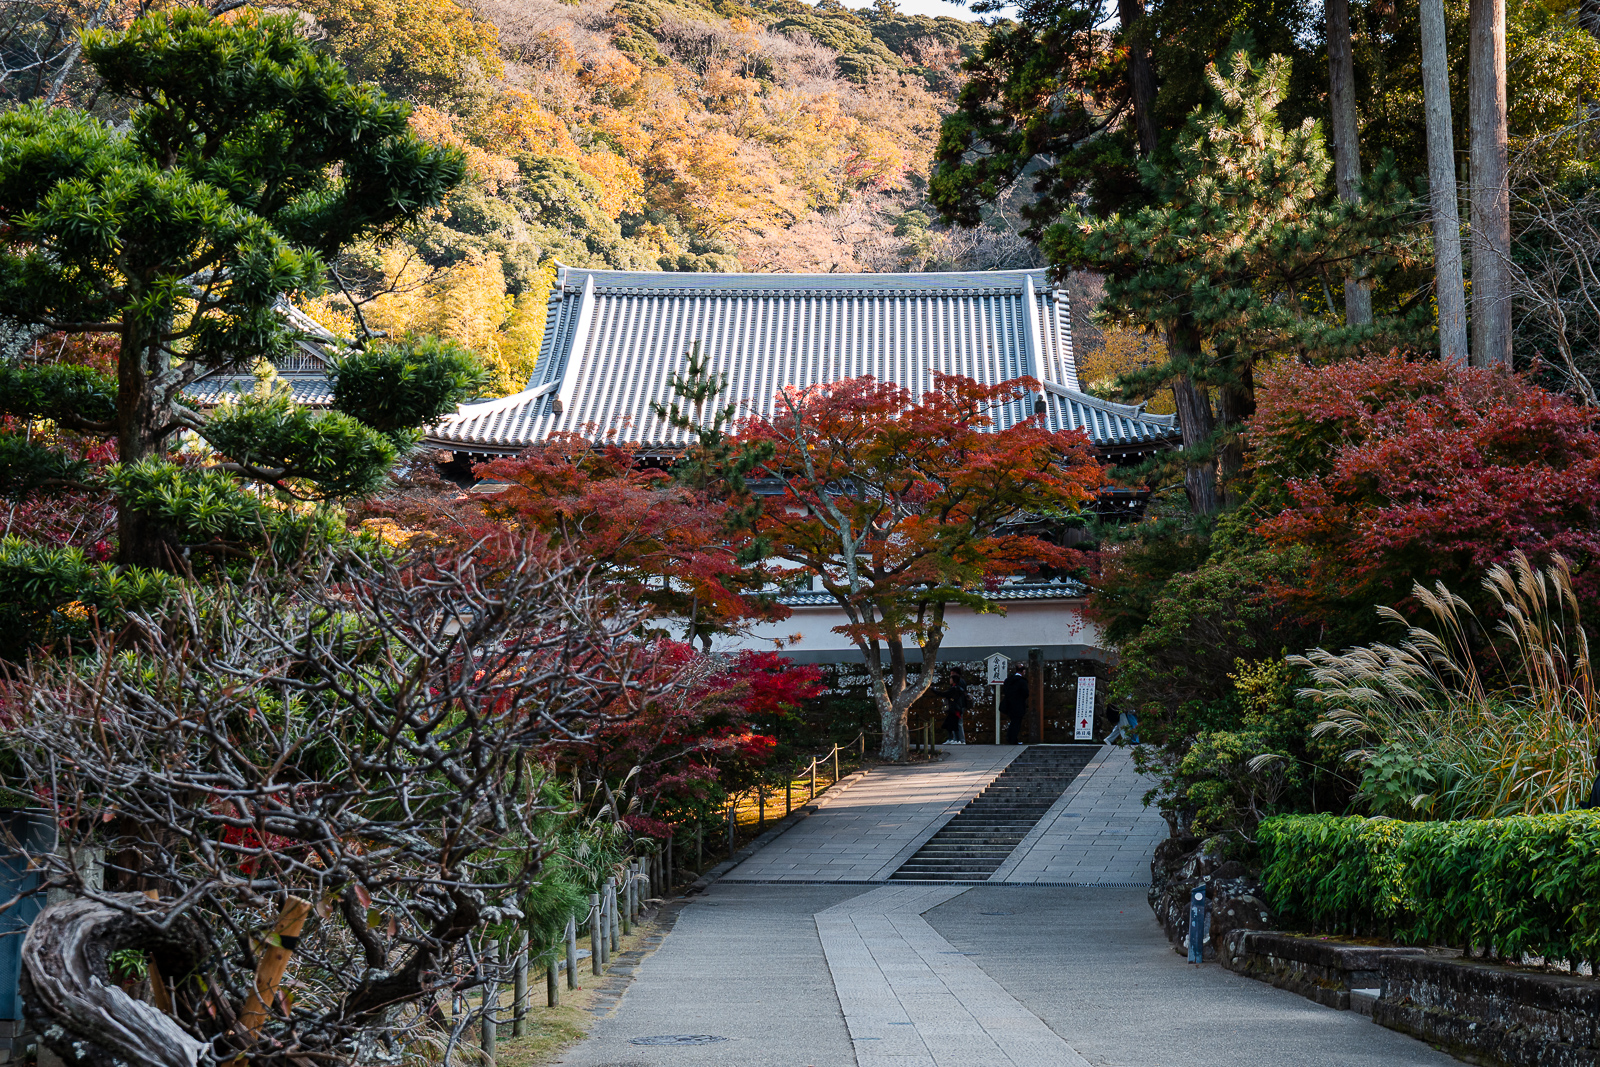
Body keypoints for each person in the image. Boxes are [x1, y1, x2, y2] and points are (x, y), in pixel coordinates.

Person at [1000, 665, 1028, 744]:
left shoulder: (1008, 680)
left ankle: (1010, 737)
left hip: (1009, 704)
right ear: (1022, 671)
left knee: (1013, 721)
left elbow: (1005, 691)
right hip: (1018, 705)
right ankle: (1013, 739)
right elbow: (1026, 693)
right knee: (1016, 723)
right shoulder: (1022, 681)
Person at [942, 668, 970, 744]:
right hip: (960, 705)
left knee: (958, 723)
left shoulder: (958, 684)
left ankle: (960, 740)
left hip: (959, 706)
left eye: (952, 673)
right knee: (955, 722)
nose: (951, 675)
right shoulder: (961, 682)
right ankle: (957, 739)